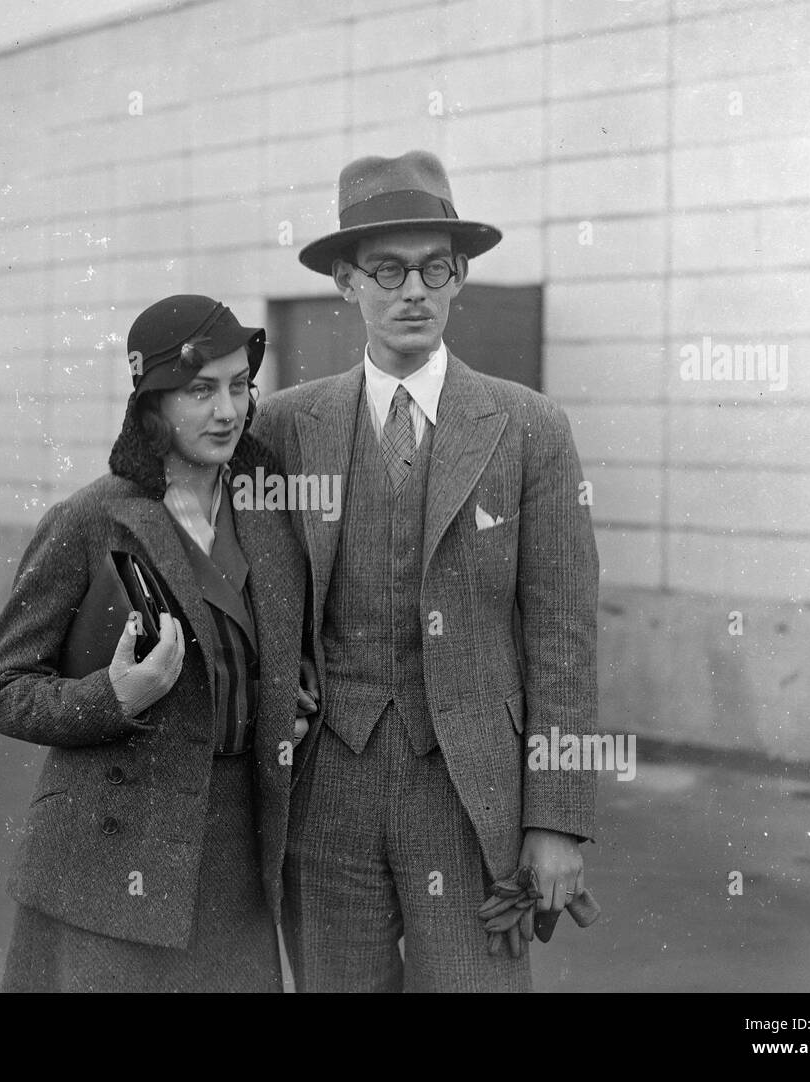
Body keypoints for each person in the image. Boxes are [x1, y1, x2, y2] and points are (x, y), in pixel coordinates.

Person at [253, 150, 601, 991]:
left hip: (471, 791)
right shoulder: (284, 427)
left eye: (433, 269)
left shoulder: (528, 428)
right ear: (346, 282)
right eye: (387, 270)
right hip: (327, 792)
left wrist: (557, 820)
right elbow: (250, 592)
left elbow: (563, 632)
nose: (413, 290)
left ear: (459, 279)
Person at [0, 295, 312, 992]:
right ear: (150, 404)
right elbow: (5, 691)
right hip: (110, 855)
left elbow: (270, 650)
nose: (227, 411)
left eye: (238, 387)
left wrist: (283, 693)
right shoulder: (89, 519)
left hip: (236, 849)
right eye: (200, 391)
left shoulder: (269, 515)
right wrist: (113, 696)